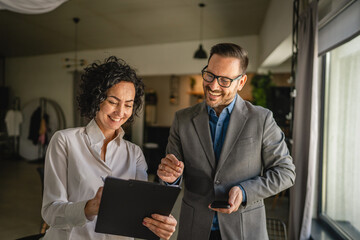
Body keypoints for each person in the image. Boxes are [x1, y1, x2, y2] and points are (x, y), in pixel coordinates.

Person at [157, 43, 296, 240]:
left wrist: (245, 191)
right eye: (210, 75)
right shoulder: (182, 119)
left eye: (224, 80)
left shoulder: (261, 119)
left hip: (245, 231)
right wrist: (170, 177)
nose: (213, 86)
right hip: (194, 230)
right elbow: (170, 176)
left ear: (241, 82)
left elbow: (286, 172)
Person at [41, 56, 177, 240]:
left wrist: (159, 223)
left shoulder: (134, 153)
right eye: (113, 101)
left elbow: (139, 212)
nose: (121, 112)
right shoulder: (65, 141)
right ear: (97, 99)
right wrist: (89, 207)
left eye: (128, 105)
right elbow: (50, 212)